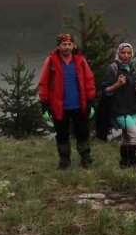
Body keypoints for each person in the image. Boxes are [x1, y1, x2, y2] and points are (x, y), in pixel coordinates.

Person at [38, 33, 96, 169]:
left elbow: (89, 80)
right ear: (59, 46)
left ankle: (86, 159)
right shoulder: (51, 61)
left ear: (73, 45)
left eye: (69, 44)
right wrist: (45, 105)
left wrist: (90, 102)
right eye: (64, 44)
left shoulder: (80, 61)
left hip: (79, 105)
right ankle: (64, 161)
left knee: (82, 133)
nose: (67, 47)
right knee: (62, 135)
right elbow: (43, 84)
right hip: (59, 107)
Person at [101, 42, 136, 168]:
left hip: (132, 108)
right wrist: (117, 84)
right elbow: (105, 90)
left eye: (128, 53)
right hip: (119, 110)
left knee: (126, 138)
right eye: (123, 52)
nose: (126, 55)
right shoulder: (113, 68)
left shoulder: (132, 68)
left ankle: (124, 163)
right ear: (119, 53)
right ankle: (133, 163)